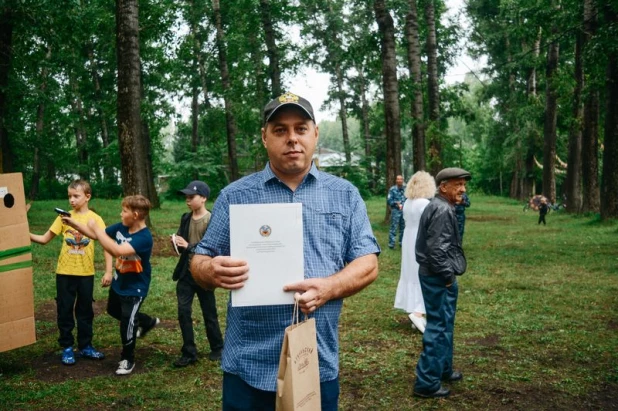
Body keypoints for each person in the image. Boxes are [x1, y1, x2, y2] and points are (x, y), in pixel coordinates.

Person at [190, 92, 380, 411]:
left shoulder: (344, 195)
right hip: (247, 367)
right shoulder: (235, 196)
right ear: (265, 138)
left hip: (315, 364)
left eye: (301, 128)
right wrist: (211, 270)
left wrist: (329, 287)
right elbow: (199, 259)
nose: (292, 138)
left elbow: (368, 262)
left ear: (315, 133)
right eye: (280, 130)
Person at [64, 195, 159, 376]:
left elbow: (116, 250)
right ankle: (146, 321)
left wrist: (97, 229)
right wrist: (73, 224)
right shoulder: (123, 227)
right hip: (119, 282)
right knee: (114, 311)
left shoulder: (144, 238)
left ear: (136, 214)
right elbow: (97, 235)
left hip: (135, 288)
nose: (121, 214)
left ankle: (127, 359)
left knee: (127, 324)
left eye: (124, 211)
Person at [29, 179, 112, 365]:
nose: (72, 200)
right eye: (69, 196)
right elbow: (44, 239)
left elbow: (107, 245)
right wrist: (23, 233)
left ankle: (85, 346)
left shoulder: (95, 219)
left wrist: (108, 271)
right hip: (64, 273)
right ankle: (67, 347)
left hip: (86, 274)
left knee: (85, 311)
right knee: (64, 310)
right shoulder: (63, 218)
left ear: (87, 197)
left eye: (76, 196)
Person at [413, 167, 471, 399]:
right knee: (438, 327)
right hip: (437, 277)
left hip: (437, 275)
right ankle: (426, 383)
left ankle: (443, 369)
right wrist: (448, 278)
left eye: (463, 185)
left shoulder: (442, 206)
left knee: (445, 324)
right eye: (457, 184)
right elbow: (436, 252)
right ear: (443, 187)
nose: (463, 189)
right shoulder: (441, 209)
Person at [171, 180, 224, 367]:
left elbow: (214, 246)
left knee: (209, 312)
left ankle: (218, 348)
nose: (188, 200)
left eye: (191, 197)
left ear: (203, 198)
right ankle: (189, 352)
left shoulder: (211, 219)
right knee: (183, 312)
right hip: (186, 272)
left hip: (203, 273)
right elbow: (182, 240)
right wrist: (177, 243)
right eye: (186, 197)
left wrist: (190, 246)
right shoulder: (186, 218)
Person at [394, 171, 436, 334]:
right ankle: (418, 312)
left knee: (410, 274)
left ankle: (414, 310)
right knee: (423, 274)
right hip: (420, 240)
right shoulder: (424, 203)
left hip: (408, 239)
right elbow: (430, 224)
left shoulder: (408, 202)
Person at [387, 175, 406, 249]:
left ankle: (401, 243)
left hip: (404, 211)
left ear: (402, 180)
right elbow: (389, 200)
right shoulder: (392, 189)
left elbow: (408, 198)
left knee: (403, 228)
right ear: (396, 180)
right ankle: (391, 244)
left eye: (401, 179)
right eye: (398, 179)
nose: (399, 181)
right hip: (395, 211)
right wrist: (396, 203)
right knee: (393, 227)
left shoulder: (405, 189)